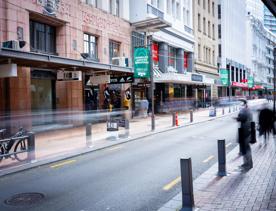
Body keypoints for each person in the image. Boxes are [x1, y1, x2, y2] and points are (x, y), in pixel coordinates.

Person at [236, 99, 253, 170]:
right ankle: (246, 163)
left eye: (241, 104)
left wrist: (237, 118)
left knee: (246, 149)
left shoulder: (245, 110)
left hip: (245, 131)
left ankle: (248, 164)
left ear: (244, 104)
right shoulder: (247, 110)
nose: (240, 105)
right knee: (245, 148)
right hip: (247, 130)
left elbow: (241, 118)